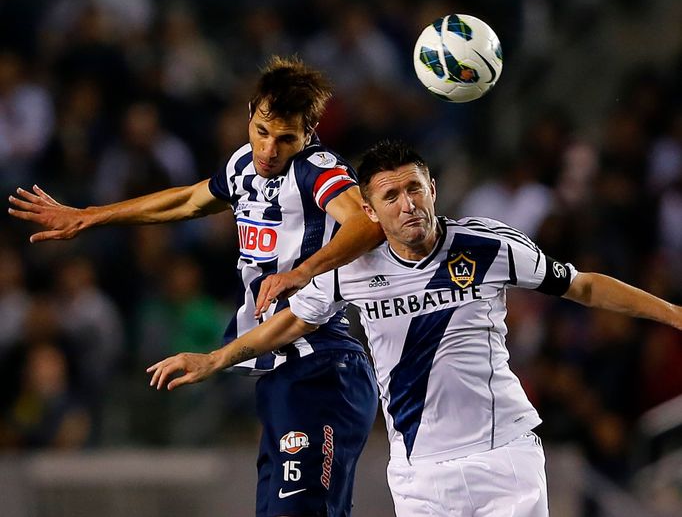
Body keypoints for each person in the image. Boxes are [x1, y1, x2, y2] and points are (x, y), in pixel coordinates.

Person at [147, 140, 682, 517]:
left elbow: (583, 285)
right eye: (391, 196)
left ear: (433, 189)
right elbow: (288, 324)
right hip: (418, 475)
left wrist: (675, 314)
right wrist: (216, 360)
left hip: (504, 457)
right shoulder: (349, 271)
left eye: (415, 189)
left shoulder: (487, 246)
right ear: (370, 209)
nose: (408, 204)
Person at [8, 56, 383, 517]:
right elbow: (187, 199)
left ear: (308, 132)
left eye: (286, 138)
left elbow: (366, 226)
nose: (269, 149)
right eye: (263, 131)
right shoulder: (245, 164)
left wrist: (302, 272)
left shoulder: (317, 168)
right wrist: (90, 216)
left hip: (323, 366)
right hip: (279, 367)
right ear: (251, 112)